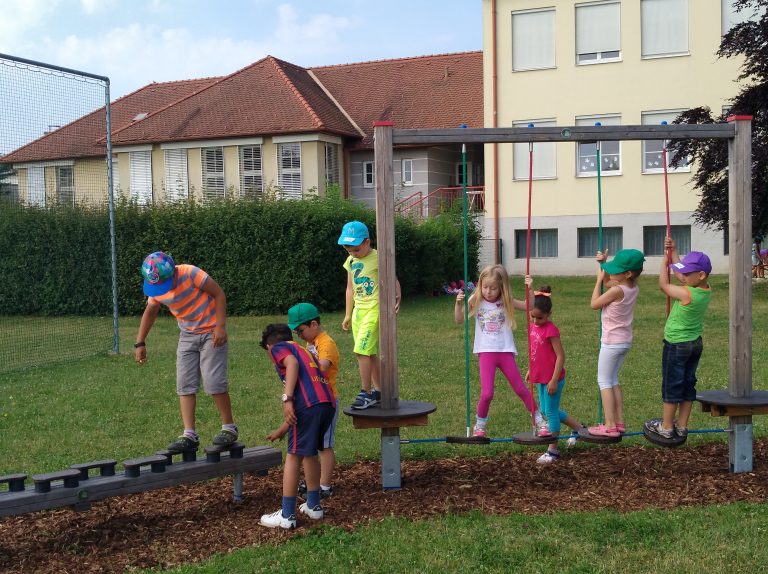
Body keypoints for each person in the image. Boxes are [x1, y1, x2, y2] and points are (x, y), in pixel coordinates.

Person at [135, 251, 238, 452]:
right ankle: (189, 434)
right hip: (187, 335)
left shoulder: (191, 273)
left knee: (213, 381)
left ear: (173, 273)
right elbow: (150, 311)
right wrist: (140, 342)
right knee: (184, 384)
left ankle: (229, 428)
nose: (160, 290)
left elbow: (219, 294)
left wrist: (220, 326)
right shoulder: (157, 289)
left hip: (211, 333)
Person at [259, 323, 336, 529]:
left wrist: (287, 399)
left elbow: (291, 364)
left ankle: (287, 515)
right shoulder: (304, 349)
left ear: (269, 346)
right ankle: (313, 506)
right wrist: (283, 429)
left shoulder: (279, 348)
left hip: (309, 406)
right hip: (326, 404)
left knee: (293, 456)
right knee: (309, 453)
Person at [454, 264, 544, 438]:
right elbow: (459, 320)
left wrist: (530, 288)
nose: (488, 291)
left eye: (493, 288)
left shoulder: (505, 300)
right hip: (486, 352)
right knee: (487, 393)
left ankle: (540, 421)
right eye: (485, 287)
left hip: (505, 351)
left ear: (501, 287)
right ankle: (479, 426)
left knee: (521, 389)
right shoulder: (476, 300)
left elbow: (528, 306)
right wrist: (458, 304)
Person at [268, 302, 340, 499]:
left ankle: (324, 486)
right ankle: (314, 485)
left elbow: (322, 366)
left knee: (324, 445)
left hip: (327, 398)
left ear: (314, 324)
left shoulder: (326, 343)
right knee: (311, 448)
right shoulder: (309, 344)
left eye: (300, 331)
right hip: (312, 400)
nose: (298, 336)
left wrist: (304, 362)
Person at [646, 239, 712, 440]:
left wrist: (663, 263)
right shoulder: (705, 289)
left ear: (700, 275)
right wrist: (673, 253)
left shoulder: (686, 294)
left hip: (677, 345)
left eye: (686, 273)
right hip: (695, 344)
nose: (681, 276)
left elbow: (664, 285)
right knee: (687, 384)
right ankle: (682, 425)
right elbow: (680, 276)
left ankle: (666, 426)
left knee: (672, 384)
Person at [338, 220, 401, 410]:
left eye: (356, 249)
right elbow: (350, 288)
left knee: (361, 351)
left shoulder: (378, 257)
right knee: (369, 353)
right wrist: (348, 314)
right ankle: (380, 392)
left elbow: (392, 277)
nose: (353, 254)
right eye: (349, 250)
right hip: (359, 312)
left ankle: (365, 392)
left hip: (374, 310)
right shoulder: (350, 261)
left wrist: (397, 296)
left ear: (367, 242)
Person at [588, 248, 645, 438]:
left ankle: (610, 425)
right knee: (613, 380)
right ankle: (619, 422)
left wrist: (597, 280)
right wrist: (603, 265)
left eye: (616, 270)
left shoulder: (617, 290)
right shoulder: (631, 287)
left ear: (627, 273)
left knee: (604, 381)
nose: (611, 272)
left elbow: (594, 304)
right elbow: (610, 282)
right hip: (624, 341)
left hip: (611, 342)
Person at [526, 285, 585, 464]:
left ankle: (553, 450)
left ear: (549, 313)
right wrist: (531, 369)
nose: (536, 321)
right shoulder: (533, 327)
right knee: (545, 410)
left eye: (540, 317)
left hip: (553, 379)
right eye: (533, 316)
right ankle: (579, 429)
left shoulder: (551, 330)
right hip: (541, 377)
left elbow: (560, 356)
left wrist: (553, 380)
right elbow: (537, 351)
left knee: (550, 412)